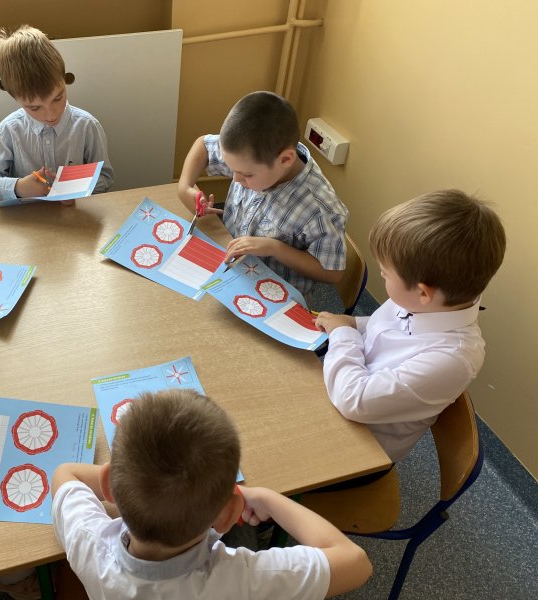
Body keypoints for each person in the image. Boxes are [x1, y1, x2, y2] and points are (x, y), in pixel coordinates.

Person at [52, 389, 372, 599]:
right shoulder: (247, 580)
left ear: (108, 486)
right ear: (228, 513)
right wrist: (268, 498)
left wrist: (128, 478)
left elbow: (65, 474)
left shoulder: (89, 544)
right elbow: (356, 563)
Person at [315, 190, 506, 462]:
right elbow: (386, 328)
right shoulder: (431, 301)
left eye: (385, 274)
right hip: (339, 391)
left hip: (358, 449)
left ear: (423, 292)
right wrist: (353, 323)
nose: (382, 276)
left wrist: (343, 333)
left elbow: (354, 400)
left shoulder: (453, 358)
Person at [177, 91, 347, 301]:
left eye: (247, 175)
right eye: (232, 169)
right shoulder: (248, 154)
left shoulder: (320, 210)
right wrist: (185, 187)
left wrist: (275, 248)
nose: (235, 179)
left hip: (275, 297)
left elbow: (332, 273)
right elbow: (202, 145)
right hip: (231, 269)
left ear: (285, 160)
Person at [0, 25, 114, 204]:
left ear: (64, 81)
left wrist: (77, 191)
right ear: (16, 99)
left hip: (74, 214)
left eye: (58, 98)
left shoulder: (87, 126)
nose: (51, 115)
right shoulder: (10, 129)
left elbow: (105, 176)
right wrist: (17, 187)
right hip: (27, 217)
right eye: (35, 108)